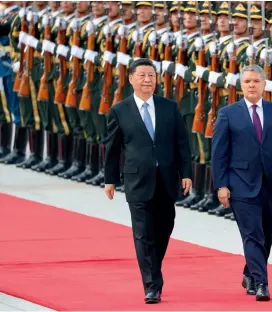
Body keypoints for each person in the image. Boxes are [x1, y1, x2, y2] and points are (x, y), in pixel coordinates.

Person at [103, 58, 193, 304]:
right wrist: (109, 179)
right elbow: (112, 148)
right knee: (143, 233)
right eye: (142, 75)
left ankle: (153, 267)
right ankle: (152, 285)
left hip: (166, 178)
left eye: (151, 76)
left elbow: (182, 144)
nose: (147, 80)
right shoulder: (120, 110)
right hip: (137, 181)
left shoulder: (169, 107)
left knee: (164, 228)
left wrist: (186, 173)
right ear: (131, 79)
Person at [211, 64, 272, 301]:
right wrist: (221, 185)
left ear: (264, 85)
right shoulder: (228, 113)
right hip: (240, 184)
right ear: (241, 86)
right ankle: (261, 282)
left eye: (256, 81)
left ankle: (250, 272)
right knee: (252, 235)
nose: (252, 85)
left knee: (267, 234)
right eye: (247, 81)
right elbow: (219, 153)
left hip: (271, 184)